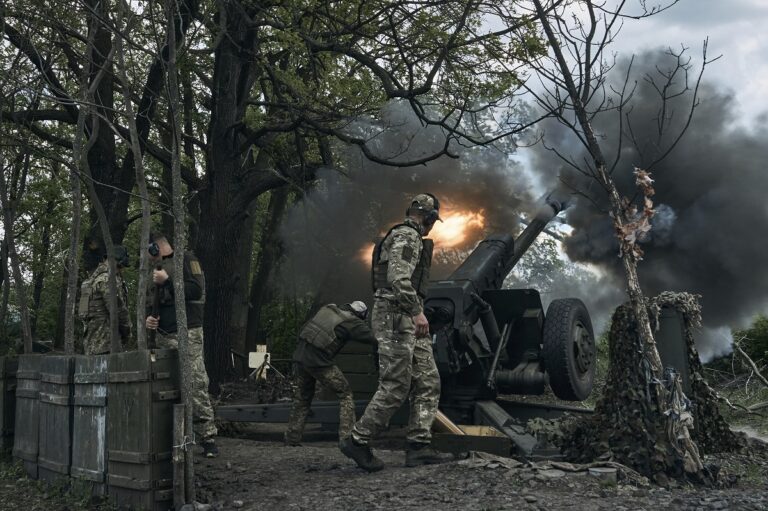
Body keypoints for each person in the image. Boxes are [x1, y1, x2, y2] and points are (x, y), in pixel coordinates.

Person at [340, 193, 452, 472]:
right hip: (397, 316)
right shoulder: (407, 236)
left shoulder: (409, 236)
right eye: (432, 221)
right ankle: (358, 439)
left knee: (428, 379)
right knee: (396, 385)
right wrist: (417, 312)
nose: (432, 226)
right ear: (427, 217)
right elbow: (398, 278)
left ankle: (418, 446)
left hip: (407, 317)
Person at [144, 232, 218, 458]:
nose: (148, 259)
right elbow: (151, 301)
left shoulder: (186, 259)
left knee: (195, 382)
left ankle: (208, 439)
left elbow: (196, 290)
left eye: (149, 252)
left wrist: (168, 280)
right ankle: (174, 438)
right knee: (165, 385)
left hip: (188, 332)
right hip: (163, 333)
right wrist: (148, 319)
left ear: (156, 247)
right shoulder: (155, 271)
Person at [285, 301, 376, 446]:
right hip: (319, 362)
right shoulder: (353, 322)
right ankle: (346, 439)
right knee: (345, 395)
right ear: (361, 315)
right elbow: (375, 338)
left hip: (301, 357)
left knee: (302, 398)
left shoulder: (329, 308)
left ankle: (292, 438)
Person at [78, 245, 132, 355]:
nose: (121, 271)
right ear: (119, 263)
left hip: (90, 344)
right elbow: (118, 311)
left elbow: (82, 314)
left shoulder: (88, 282)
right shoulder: (109, 279)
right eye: (121, 267)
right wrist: (128, 333)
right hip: (107, 343)